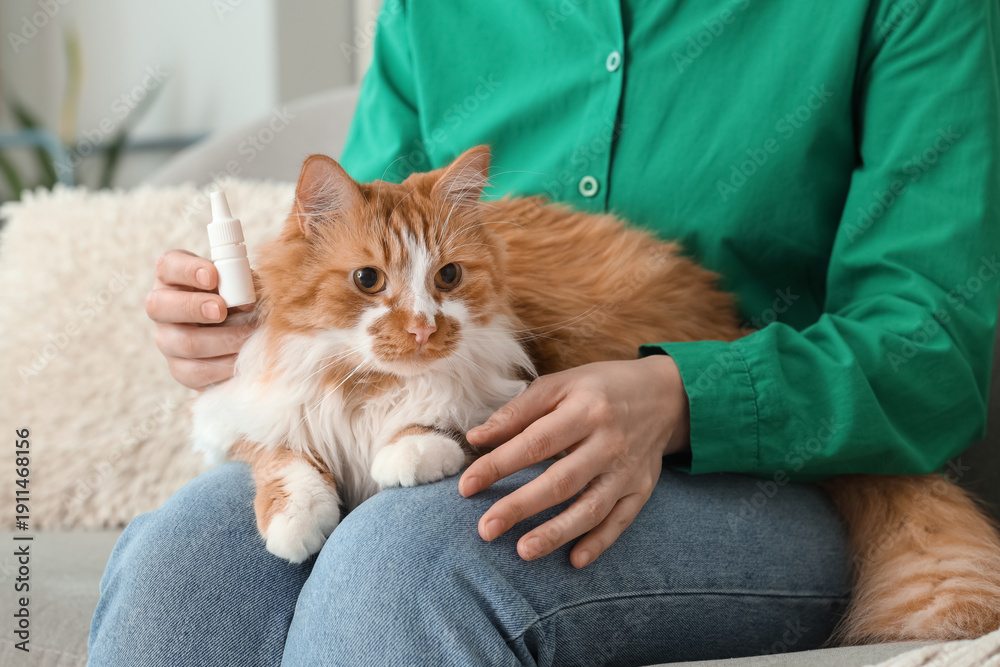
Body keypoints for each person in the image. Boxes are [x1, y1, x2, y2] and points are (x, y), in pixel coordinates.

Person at [89, 1, 1000, 665]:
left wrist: (682, 395)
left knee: (411, 561)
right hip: (446, 421)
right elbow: (362, 243)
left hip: (760, 472)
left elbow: (929, 343)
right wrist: (252, 328)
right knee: (187, 559)